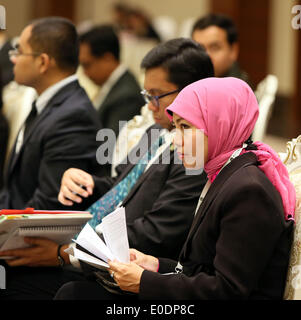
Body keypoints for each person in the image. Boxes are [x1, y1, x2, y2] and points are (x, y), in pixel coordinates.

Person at [0, 38, 214, 300]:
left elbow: (156, 234)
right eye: (147, 95)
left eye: (157, 96)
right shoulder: (156, 131)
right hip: (92, 247)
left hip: (122, 269)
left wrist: (67, 253)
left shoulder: (195, 152)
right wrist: (83, 179)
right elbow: (119, 187)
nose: (150, 106)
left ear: (194, 92)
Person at [55, 77, 296, 300]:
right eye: (176, 128)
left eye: (186, 128)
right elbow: (201, 269)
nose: (176, 139)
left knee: (74, 295)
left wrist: (144, 282)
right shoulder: (225, 172)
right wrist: (155, 266)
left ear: (219, 124)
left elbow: (228, 291)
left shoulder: (247, 190)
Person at [0, 17, 102, 212]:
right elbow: (13, 191)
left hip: (32, 235)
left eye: (19, 51)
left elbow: (49, 204)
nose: (13, 58)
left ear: (42, 62)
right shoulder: (48, 103)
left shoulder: (73, 116)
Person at [79, 25, 144, 137]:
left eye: (87, 65)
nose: (85, 73)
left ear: (107, 59)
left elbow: (110, 147)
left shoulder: (126, 97)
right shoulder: (113, 85)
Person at [191, 13, 251, 85]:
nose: (206, 55)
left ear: (234, 51)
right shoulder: (187, 84)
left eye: (214, 48)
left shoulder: (242, 92)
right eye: (199, 48)